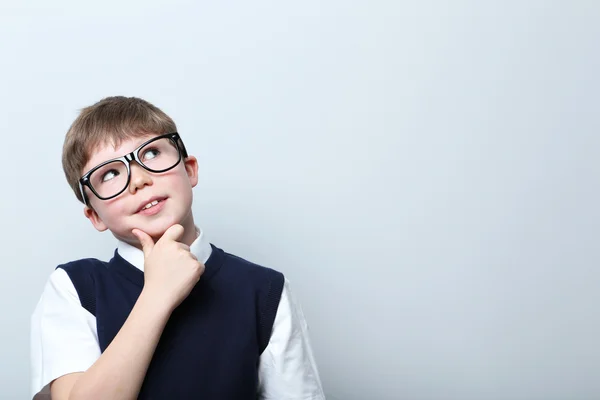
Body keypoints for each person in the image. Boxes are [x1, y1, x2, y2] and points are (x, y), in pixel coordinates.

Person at [30, 96, 325, 400]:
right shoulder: (75, 288)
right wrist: (157, 294)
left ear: (190, 169)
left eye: (152, 153)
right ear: (94, 215)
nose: (140, 180)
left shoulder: (265, 290)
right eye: (110, 173)